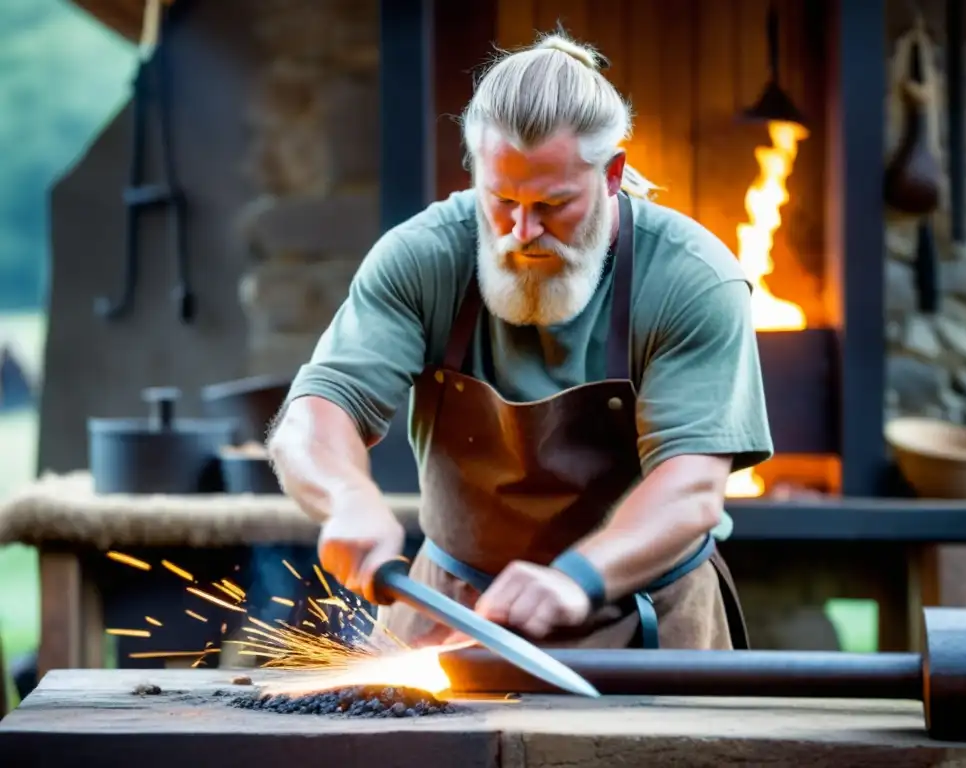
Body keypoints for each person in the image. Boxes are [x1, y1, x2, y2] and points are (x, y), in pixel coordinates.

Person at [267, 32, 774, 651]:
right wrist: (346, 497)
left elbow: (692, 488)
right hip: (448, 614)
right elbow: (316, 413)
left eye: (553, 205)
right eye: (501, 200)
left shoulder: (692, 277)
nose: (522, 232)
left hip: (650, 622)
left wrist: (575, 580)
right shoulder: (424, 257)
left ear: (612, 174)